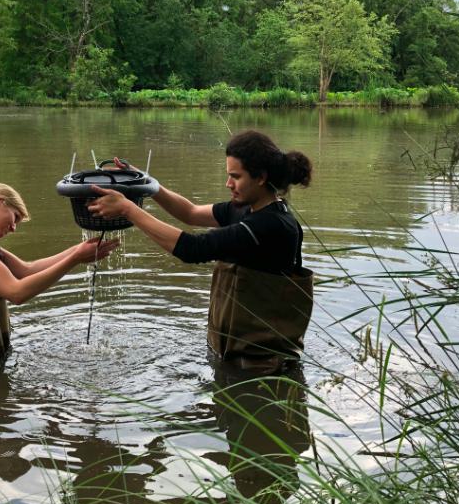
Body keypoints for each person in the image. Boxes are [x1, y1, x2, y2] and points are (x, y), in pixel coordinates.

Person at [88, 130, 313, 373]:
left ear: (260, 177)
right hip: (235, 356)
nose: (228, 184)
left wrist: (128, 209)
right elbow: (191, 213)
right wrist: (145, 183)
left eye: (235, 177)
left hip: (265, 367)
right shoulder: (246, 209)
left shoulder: (271, 225)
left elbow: (192, 249)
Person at [0, 183, 118, 360]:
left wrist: (78, 250)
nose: (13, 228)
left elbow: (26, 270)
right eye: (15, 218)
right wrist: (75, 258)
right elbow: (16, 293)